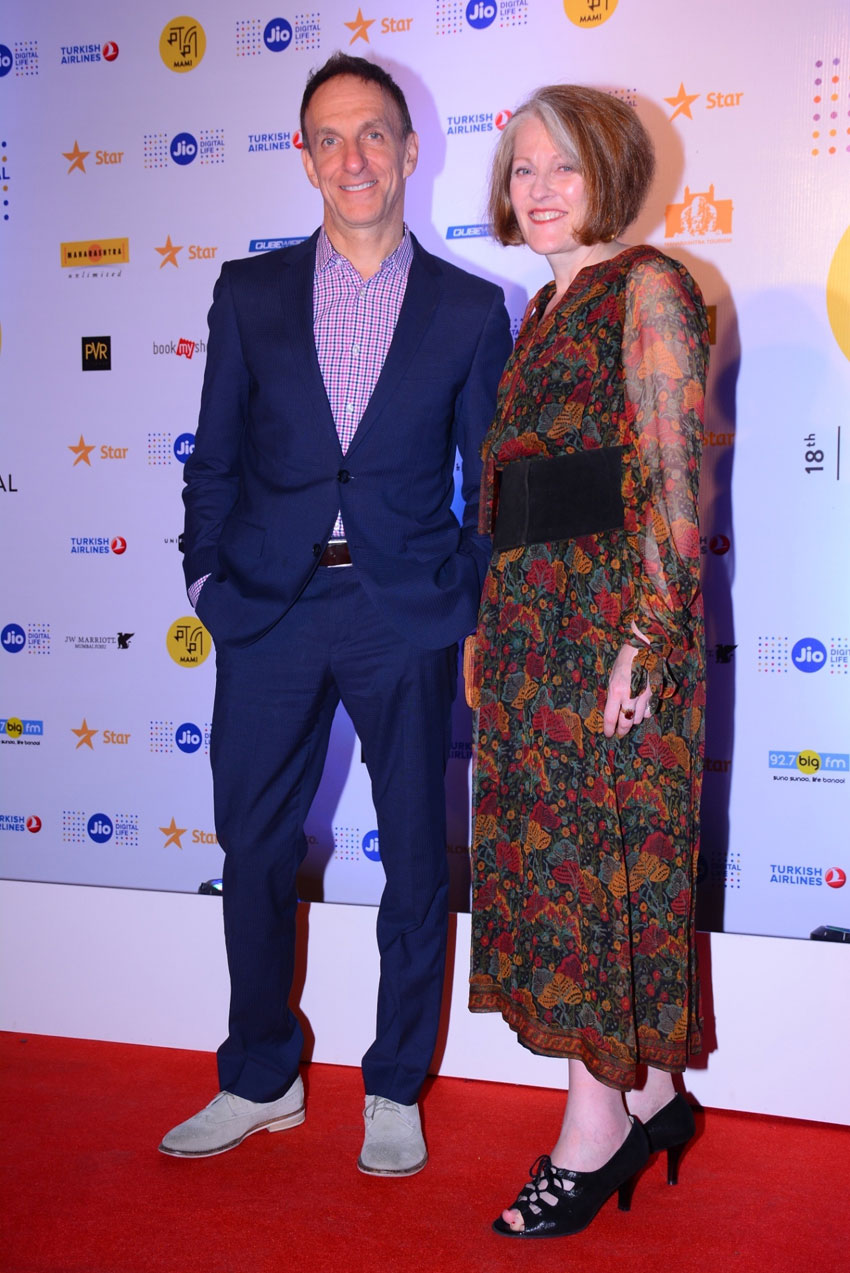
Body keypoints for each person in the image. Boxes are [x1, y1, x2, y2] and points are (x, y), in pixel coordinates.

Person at [161, 52, 512, 1176]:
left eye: (372, 134)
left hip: (402, 611)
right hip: (269, 607)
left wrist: (466, 591)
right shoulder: (249, 293)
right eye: (329, 137)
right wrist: (205, 580)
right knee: (256, 845)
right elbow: (213, 458)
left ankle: (395, 1085)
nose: (352, 156)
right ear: (305, 158)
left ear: (409, 151)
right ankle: (259, 1075)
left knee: (414, 855)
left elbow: (491, 484)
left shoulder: (471, 309)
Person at [466, 84, 709, 1235]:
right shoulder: (540, 305)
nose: (540, 188)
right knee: (560, 869)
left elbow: (671, 476)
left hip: (608, 629)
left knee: (594, 876)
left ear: (610, 171)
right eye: (522, 169)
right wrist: (492, 624)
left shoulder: (647, 286)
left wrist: (646, 640)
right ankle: (653, 1094)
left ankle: (595, 1127)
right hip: (533, 632)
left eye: (563, 165)